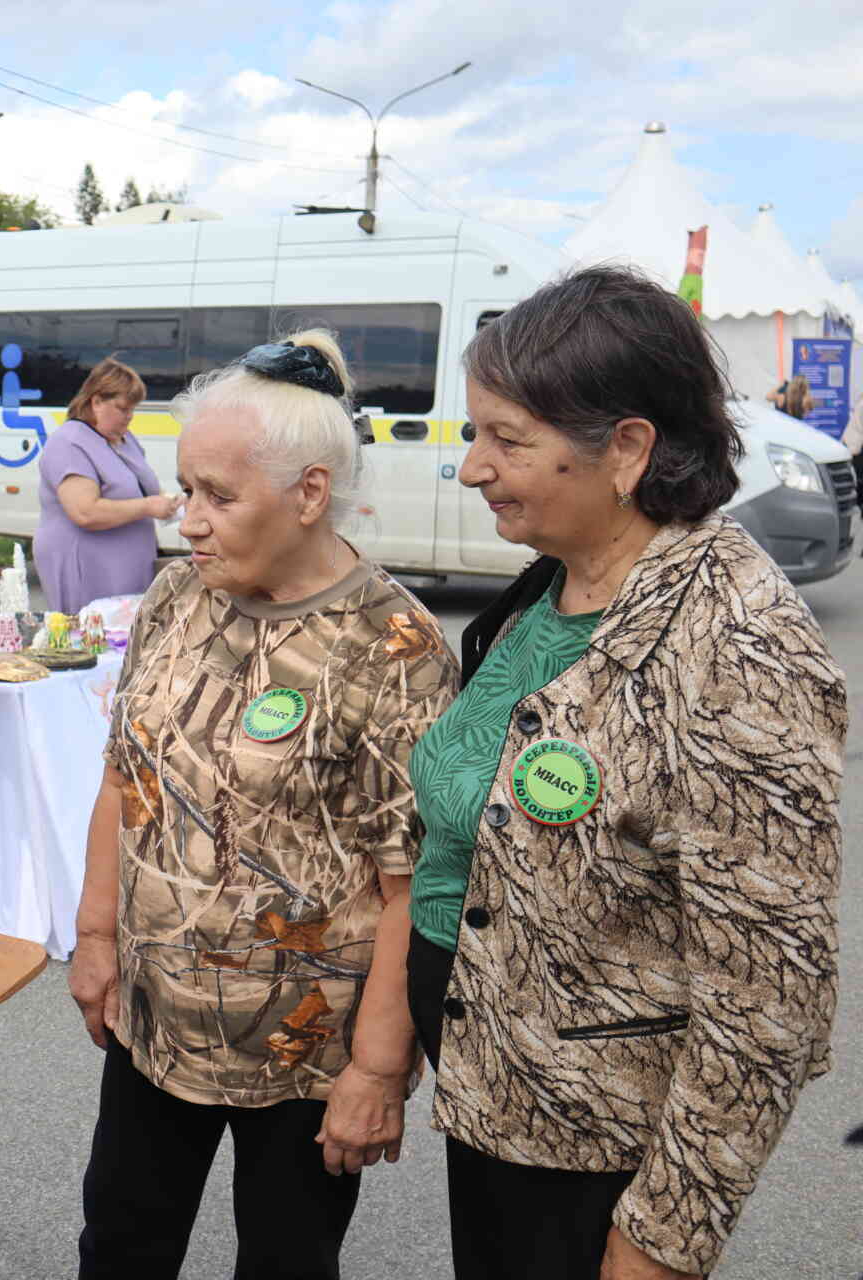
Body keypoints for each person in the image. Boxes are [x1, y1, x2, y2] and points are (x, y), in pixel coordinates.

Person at [406, 266, 844, 1280]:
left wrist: (664, 1237)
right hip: (492, 1095)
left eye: (508, 440)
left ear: (629, 449)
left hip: (600, 1153)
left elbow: (768, 999)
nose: (473, 467)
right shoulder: (549, 584)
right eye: (477, 435)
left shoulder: (741, 651)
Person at [69, 331, 460, 1280]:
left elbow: (414, 885)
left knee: (287, 1261)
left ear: (310, 493)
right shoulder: (174, 598)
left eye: (218, 497)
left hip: (305, 1052)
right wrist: (96, 938)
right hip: (153, 1018)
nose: (187, 520)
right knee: (120, 1243)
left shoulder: (394, 648)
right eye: (184, 488)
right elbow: (126, 778)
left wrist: (374, 1070)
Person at [34, 357, 182, 615]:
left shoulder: (123, 439)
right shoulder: (69, 443)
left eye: (133, 409)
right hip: (88, 566)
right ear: (96, 401)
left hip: (128, 565)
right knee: (94, 641)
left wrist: (170, 504)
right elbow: (85, 512)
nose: (130, 416)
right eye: (123, 408)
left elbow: (142, 488)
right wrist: (148, 507)